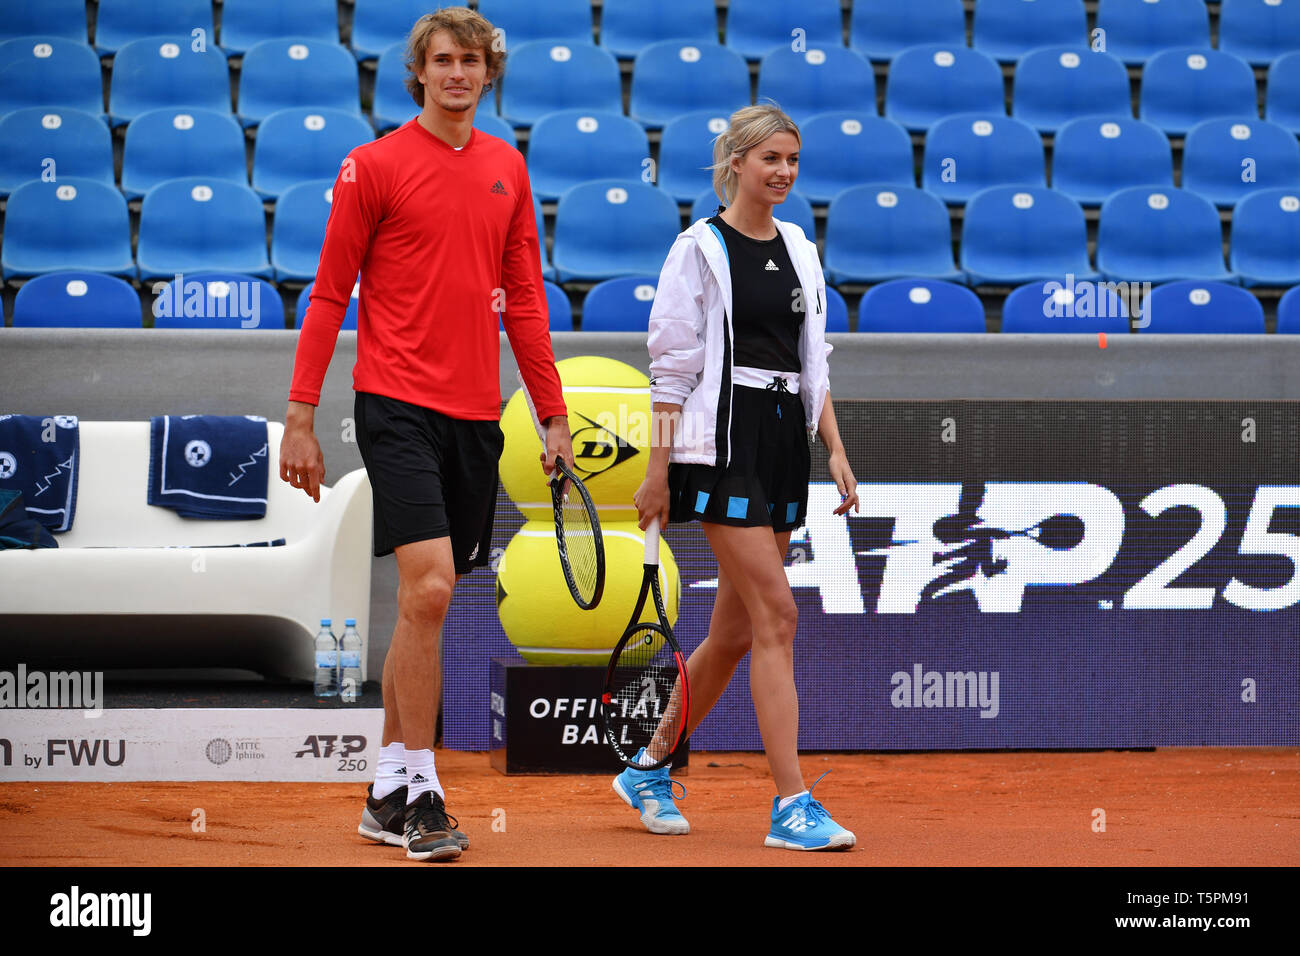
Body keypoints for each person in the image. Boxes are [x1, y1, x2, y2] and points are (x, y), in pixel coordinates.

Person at [279, 7, 572, 863]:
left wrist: (550, 414)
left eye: (471, 61)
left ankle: (384, 790)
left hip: (479, 415)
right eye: (442, 60)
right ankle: (425, 792)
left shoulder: (507, 169)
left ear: (488, 74)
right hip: (394, 405)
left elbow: (524, 299)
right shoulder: (372, 166)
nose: (457, 73)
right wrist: (301, 413)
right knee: (433, 588)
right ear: (419, 73)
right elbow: (330, 292)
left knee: (424, 607)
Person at [617, 103, 860, 851]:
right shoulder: (698, 248)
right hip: (717, 447)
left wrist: (837, 449)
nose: (783, 173)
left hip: (785, 442)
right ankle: (791, 805)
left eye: (792, 160)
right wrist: (658, 472)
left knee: (731, 637)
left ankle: (649, 766)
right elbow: (670, 371)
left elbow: (812, 362)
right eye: (770, 160)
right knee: (777, 616)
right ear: (736, 163)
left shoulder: (801, 249)